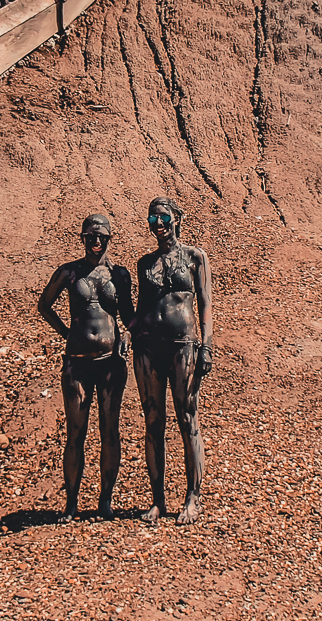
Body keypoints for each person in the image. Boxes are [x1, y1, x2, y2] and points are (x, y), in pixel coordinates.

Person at [37, 214, 136, 521]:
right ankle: (71, 503)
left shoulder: (118, 275)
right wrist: (67, 334)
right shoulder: (69, 272)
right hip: (77, 363)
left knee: (110, 430)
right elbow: (44, 305)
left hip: (110, 363)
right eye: (90, 237)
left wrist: (129, 335)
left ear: (109, 239)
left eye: (101, 237)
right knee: (75, 432)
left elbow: (129, 315)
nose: (96, 242)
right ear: (82, 238)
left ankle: (105, 501)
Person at [132, 196, 213, 525]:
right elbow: (140, 308)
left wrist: (207, 345)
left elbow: (205, 302)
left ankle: (192, 497)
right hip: (149, 349)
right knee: (153, 423)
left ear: (177, 218)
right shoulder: (145, 263)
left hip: (183, 346)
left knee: (187, 419)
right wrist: (130, 337)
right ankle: (158, 500)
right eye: (153, 220)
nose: (159, 225)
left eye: (164, 218)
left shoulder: (195, 257)